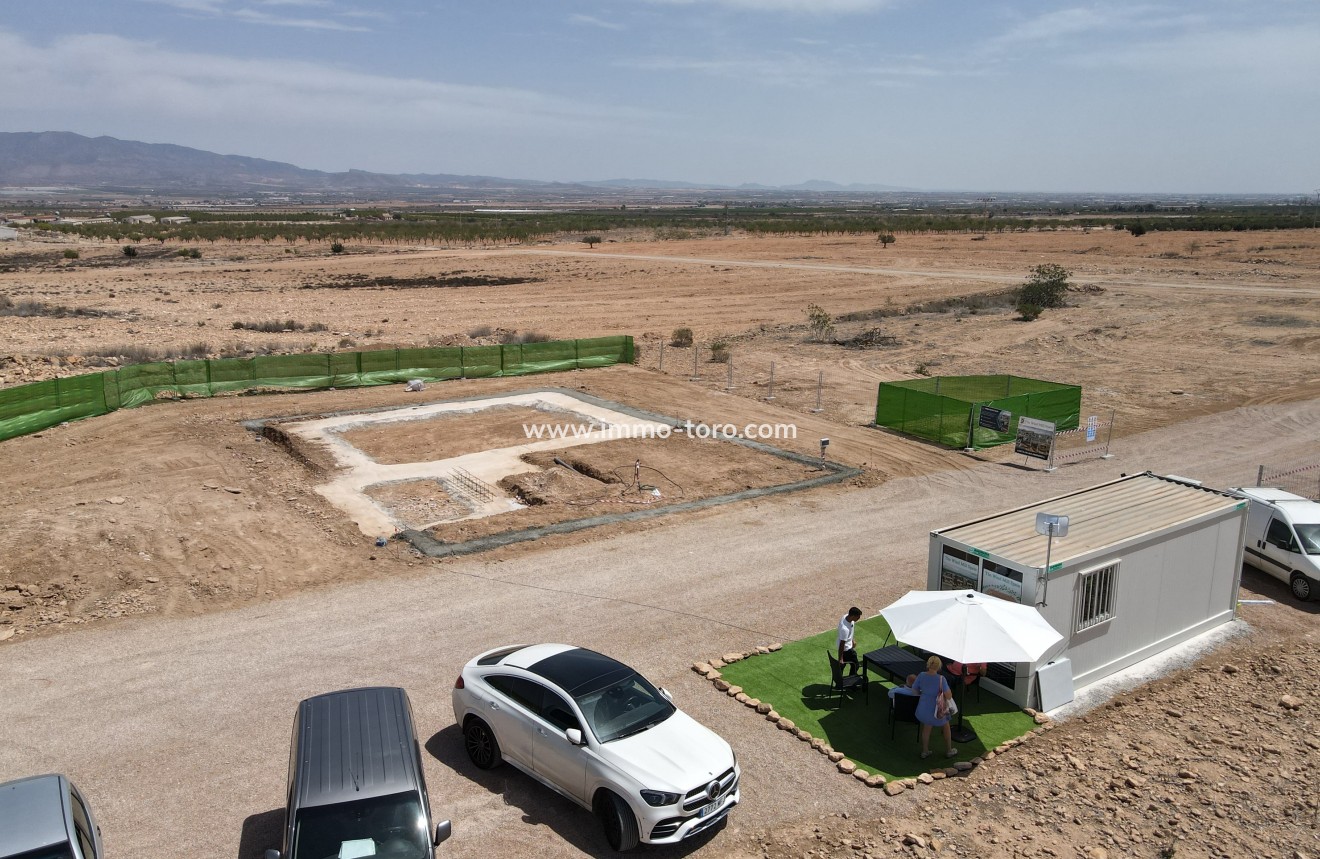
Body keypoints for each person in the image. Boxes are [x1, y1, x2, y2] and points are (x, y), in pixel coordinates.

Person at [912, 654, 957, 759]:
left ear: (928, 664)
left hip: (924, 708)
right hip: (939, 710)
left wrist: (923, 693)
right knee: (946, 727)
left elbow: (914, 690)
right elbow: (949, 696)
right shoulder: (941, 679)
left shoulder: (921, 675)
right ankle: (949, 750)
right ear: (939, 666)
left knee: (926, 728)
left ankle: (925, 751)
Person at [836, 607, 862, 676]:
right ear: (853, 616)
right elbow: (842, 644)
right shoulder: (845, 629)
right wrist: (840, 659)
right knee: (855, 665)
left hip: (846, 648)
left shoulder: (846, 617)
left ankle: (839, 682)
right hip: (847, 650)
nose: (859, 618)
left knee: (842, 666)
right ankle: (851, 681)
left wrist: (852, 640)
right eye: (858, 617)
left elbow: (851, 630)